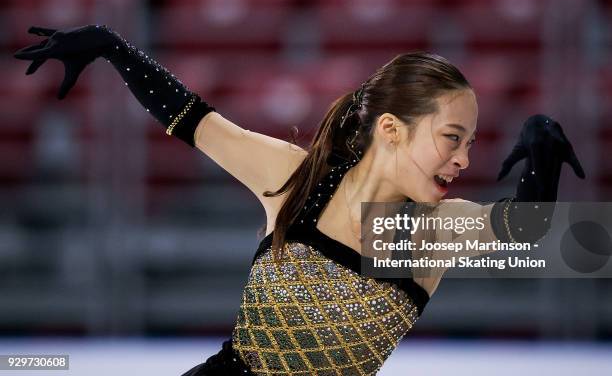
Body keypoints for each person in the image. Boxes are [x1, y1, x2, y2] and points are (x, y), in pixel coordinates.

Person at [14, 25, 586, 375]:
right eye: (451, 139)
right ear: (391, 129)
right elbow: (194, 119)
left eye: (471, 144)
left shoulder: (426, 234)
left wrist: (543, 150)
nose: (463, 160)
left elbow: (526, 231)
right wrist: (113, 47)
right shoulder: (298, 179)